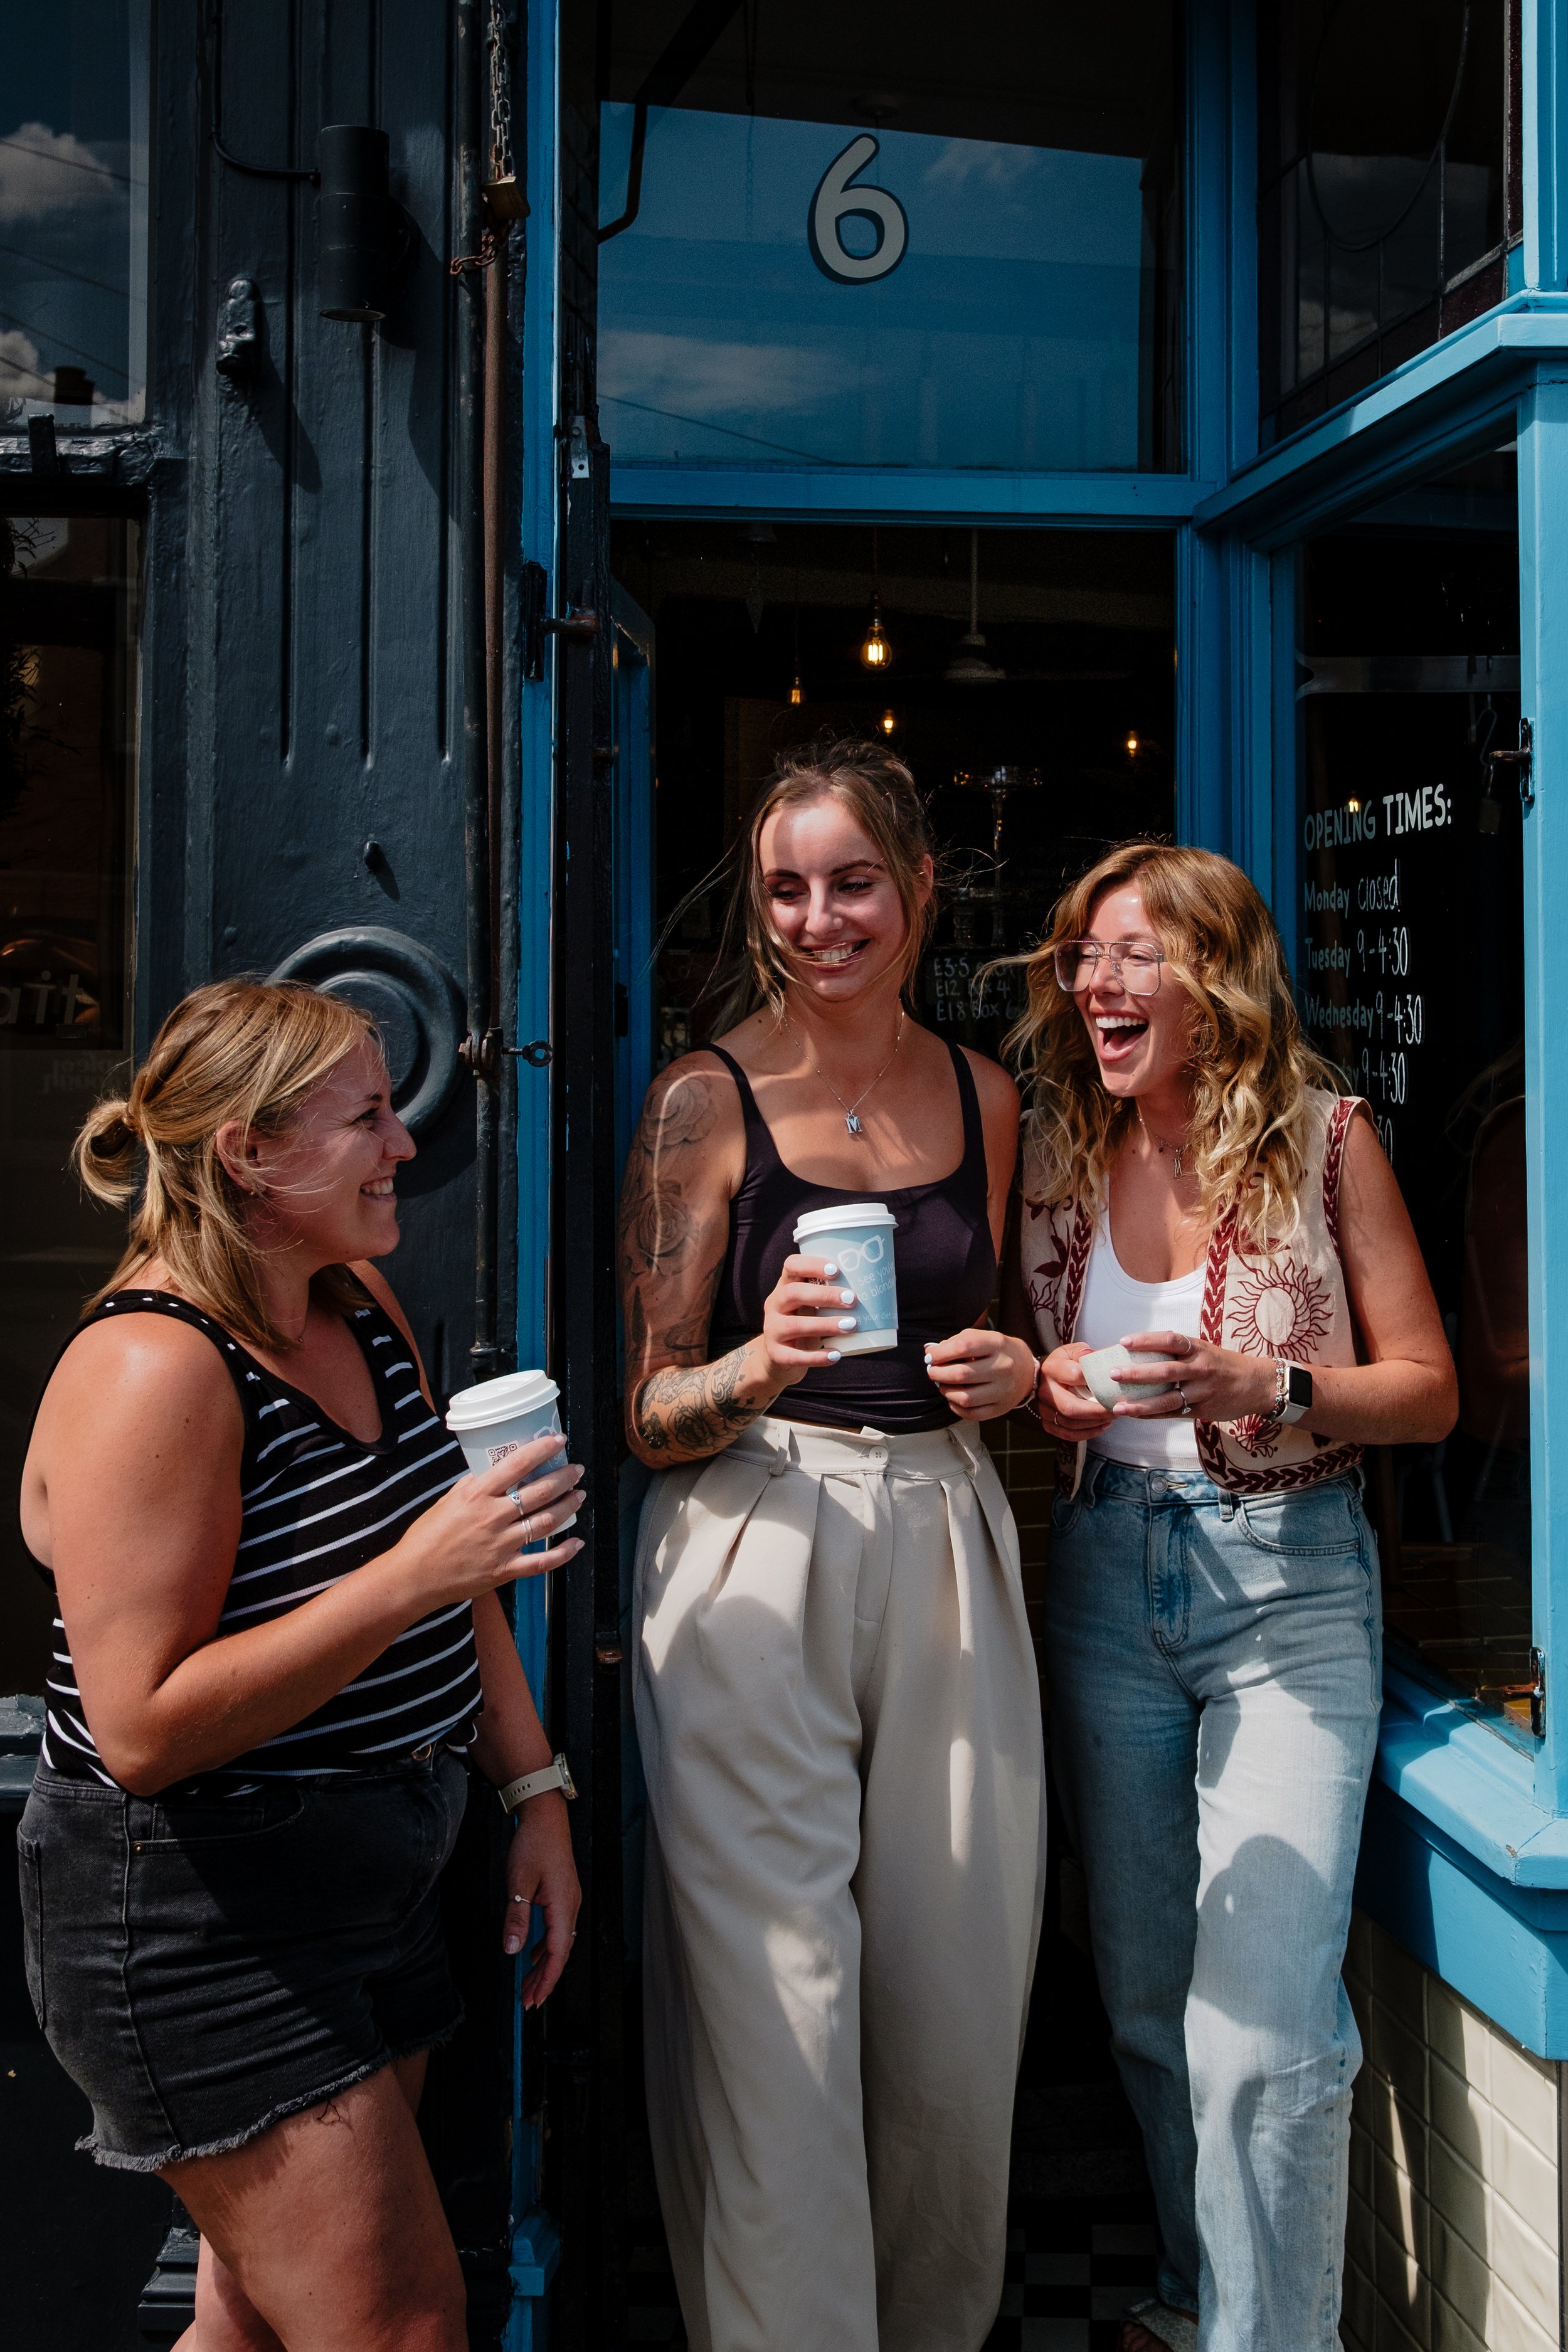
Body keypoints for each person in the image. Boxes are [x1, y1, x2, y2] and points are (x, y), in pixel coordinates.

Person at [18, 980, 585, 2352]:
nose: (405, 1145)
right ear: (249, 1156)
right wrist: (413, 1574)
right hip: (203, 1914)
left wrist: (536, 1792)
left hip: (375, 1873)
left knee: (257, 2326)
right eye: (367, 1118)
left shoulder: (355, 1300)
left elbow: (461, 1581)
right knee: (400, 2328)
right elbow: (141, 1728)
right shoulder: (151, 1369)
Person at [621, 741, 1047, 2352]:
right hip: (751, 1536)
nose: (817, 917)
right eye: (785, 887)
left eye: (851, 880)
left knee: (955, 2006)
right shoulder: (701, 1098)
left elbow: (1003, 1333)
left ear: (917, 889)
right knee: (778, 2013)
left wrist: (1011, 1377)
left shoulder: (985, 1095)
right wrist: (759, 1362)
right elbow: (646, 1406)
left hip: (945, 1522)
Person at [1005, 844, 1456, 2352]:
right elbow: (1048, 1371)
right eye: (1082, 955)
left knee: (1255, 2033)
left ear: (1216, 979)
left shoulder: (1327, 1141)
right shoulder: (1060, 1148)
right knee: (1143, 2007)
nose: (1096, 985)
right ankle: (1206, 2295)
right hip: (1101, 1583)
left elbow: (1431, 1393)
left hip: (1287, 1590)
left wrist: (1280, 1381)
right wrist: (1054, 1389)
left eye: (1134, 954)